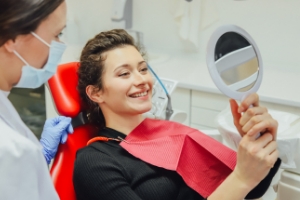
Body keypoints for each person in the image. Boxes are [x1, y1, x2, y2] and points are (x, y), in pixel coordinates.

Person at [73, 29, 281, 200]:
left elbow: (253, 188)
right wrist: (240, 179)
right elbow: (240, 183)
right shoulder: (94, 162)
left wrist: (256, 139)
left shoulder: (170, 136)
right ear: (96, 93)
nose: (141, 80)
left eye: (143, 69)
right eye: (124, 73)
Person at [0, 0, 73, 199]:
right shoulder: (11, 150)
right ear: (12, 38)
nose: (60, 45)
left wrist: (39, 158)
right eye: (57, 34)